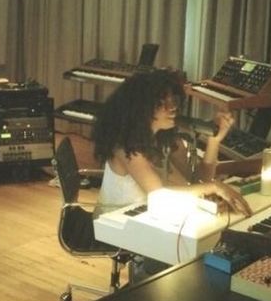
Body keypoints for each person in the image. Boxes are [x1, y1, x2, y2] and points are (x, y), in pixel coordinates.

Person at [92, 68, 252, 217]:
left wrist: (214, 141)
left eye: (173, 100)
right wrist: (216, 187)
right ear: (142, 108)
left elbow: (199, 180)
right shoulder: (125, 146)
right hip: (114, 229)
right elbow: (158, 193)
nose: (173, 107)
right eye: (163, 103)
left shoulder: (167, 138)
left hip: (150, 218)